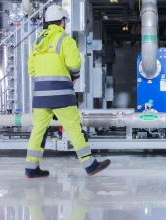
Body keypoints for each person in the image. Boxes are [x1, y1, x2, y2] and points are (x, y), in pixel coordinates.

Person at [25, 5, 111, 178]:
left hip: (40, 95)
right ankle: (90, 165)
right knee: (74, 128)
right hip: (61, 95)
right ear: (63, 21)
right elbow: (74, 64)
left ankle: (31, 168)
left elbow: (31, 70)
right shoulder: (65, 40)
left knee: (38, 131)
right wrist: (74, 76)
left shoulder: (37, 42)